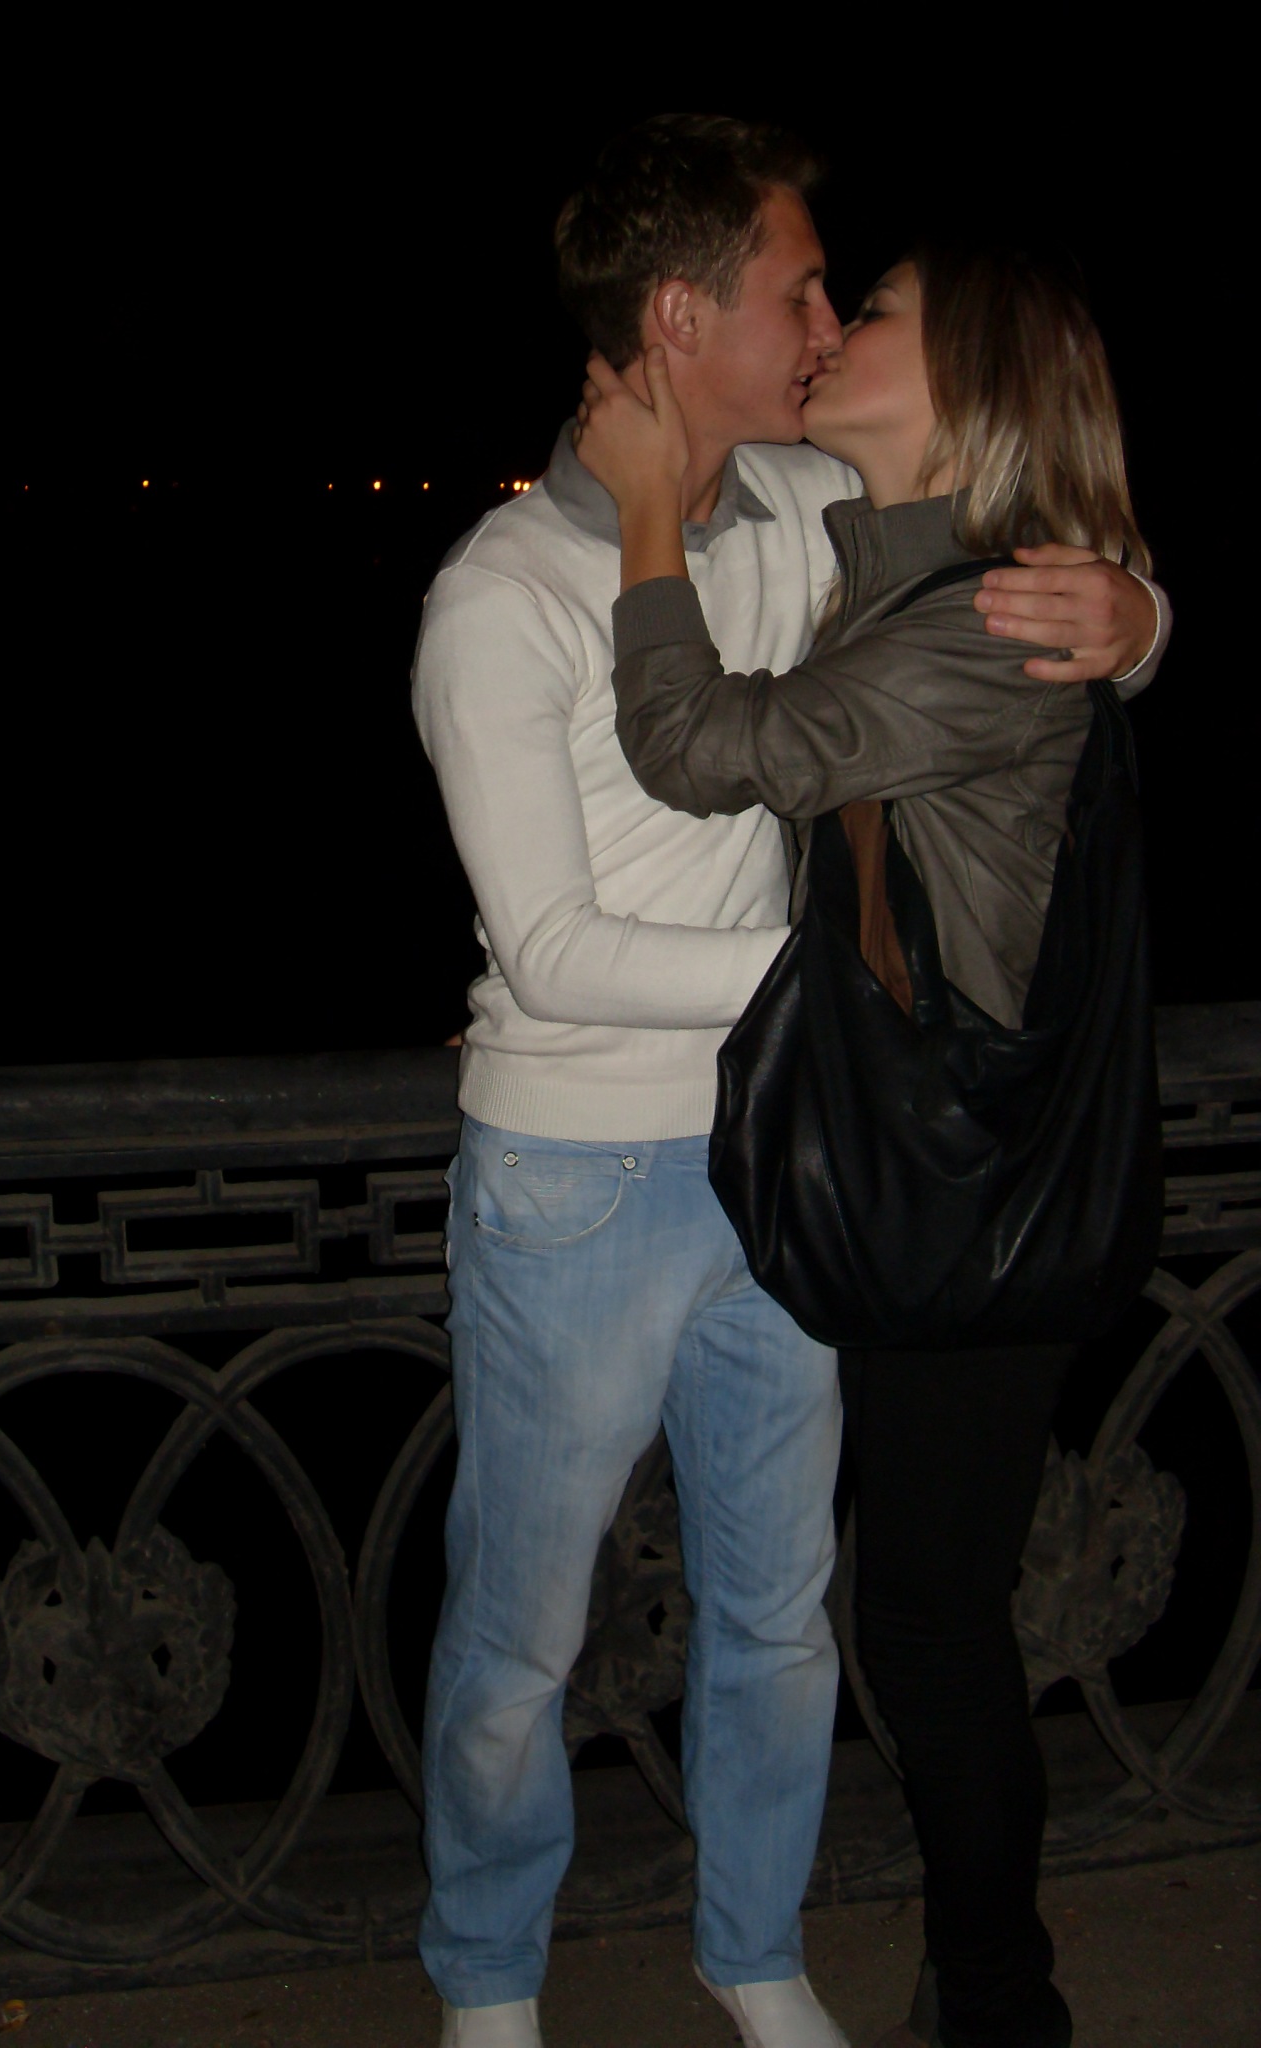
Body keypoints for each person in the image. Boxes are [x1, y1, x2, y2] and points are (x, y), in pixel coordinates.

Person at [411, 115, 1167, 2048]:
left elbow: (1006, 573)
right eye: (802, 287)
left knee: (779, 1615)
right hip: (584, 1168)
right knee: (523, 1633)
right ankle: (486, 1977)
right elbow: (554, 950)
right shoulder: (502, 592)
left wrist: (1142, 619)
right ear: (682, 318)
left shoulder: (792, 523)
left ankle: (754, 1953)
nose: (826, 325)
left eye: (850, 299)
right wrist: (849, 1004)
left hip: (784, 1161)